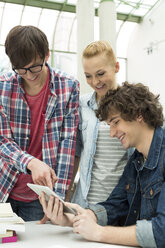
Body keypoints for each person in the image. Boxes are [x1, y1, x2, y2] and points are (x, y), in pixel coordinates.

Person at [40, 82, 165, 248]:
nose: (112, 133)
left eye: (115, 122)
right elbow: (116, 205)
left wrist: (98, 232)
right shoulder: (136, 160)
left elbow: (161, 231)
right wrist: (75, 218)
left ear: (138, 115)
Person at [0, 25, 79, 221]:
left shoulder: (68, 87)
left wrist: (57, 199)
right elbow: (2, 140)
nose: (28, 75)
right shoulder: (3, 87)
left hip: (41, 197)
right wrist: (31, 162)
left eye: (34, 66)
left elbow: (67, 145)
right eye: (21, 69)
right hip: (5, 186)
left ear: (46, 55)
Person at [69, 40, 131, 207]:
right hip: (85, 204)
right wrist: (66, 196)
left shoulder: (132, 106)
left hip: (119, 206)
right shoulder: (82, 106)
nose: (95, 81)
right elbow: (76, 153)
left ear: (116, 67)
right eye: (88, 76)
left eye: (101, 73)